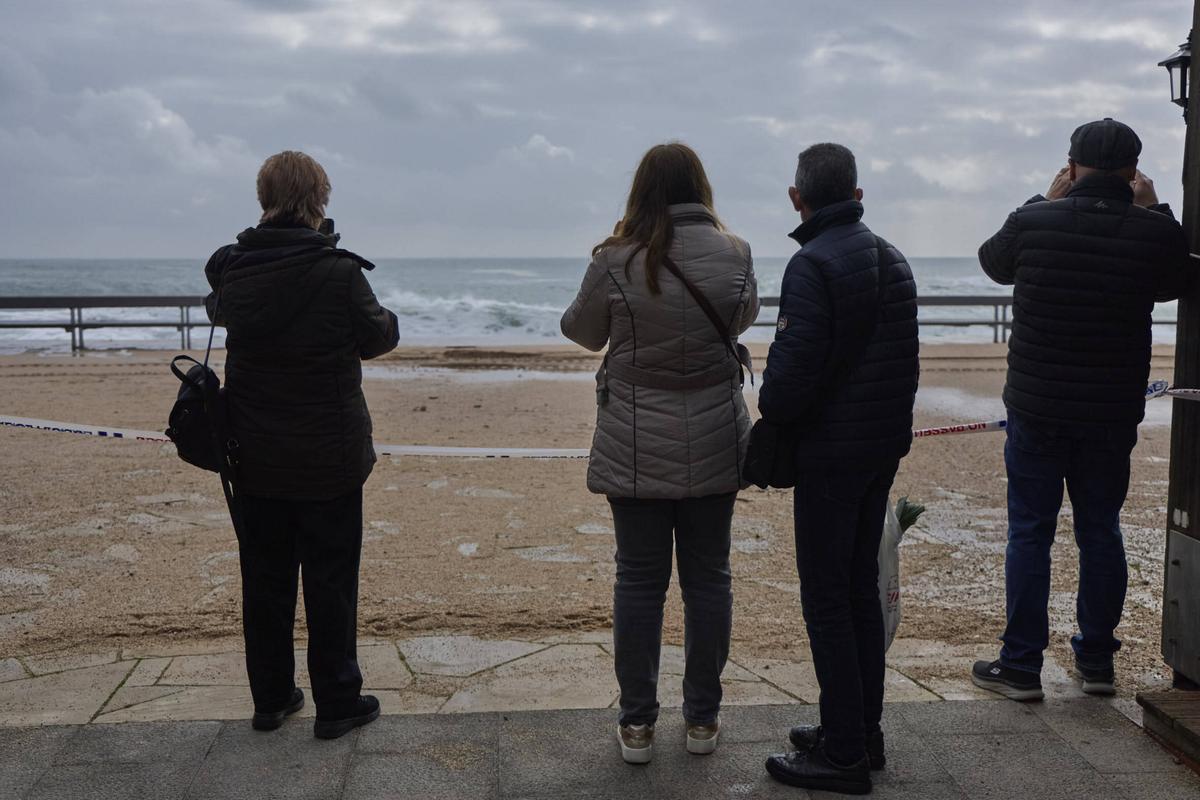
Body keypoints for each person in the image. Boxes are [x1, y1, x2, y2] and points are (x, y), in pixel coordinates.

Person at [972, 118, 1194, 701]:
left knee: (1030, 532)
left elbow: (993, 263)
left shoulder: (1035, 220)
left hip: (1037, 407)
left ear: (1071, 169)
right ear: (1131, 173)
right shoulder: (1149, 232)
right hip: (1109, 412)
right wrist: (1158, 209)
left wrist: (1041, 200)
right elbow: (1183, 276)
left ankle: (1020, 665)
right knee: (1101, 531)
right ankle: (1096, 661)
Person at [560, 142, 758, 765]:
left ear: (641, 190)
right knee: (710, 580)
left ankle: (638, 725)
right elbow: (742, 320)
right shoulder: (736, 253)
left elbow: (581, 331)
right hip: (716, 437)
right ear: (701, 187)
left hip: (635, 442)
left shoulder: (616, 258)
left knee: (639, 583)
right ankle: (702, 719)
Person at [204, 150, 399, 739]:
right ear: (320, 199)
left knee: (264, 579)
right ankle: (338, 702)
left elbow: (222, 297)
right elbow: (380, 336)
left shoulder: (233, 268)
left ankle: (271, 698)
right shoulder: (338, 271)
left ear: (263, 197)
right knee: (331, 579)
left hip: (255, 453)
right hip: (328, 455)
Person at [758, 143, 919, 795]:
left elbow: (787, 384)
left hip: (830, 455)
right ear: (857, 194)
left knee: (828, 599)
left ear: (797, 199)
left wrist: (768, 402)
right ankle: (859, 730)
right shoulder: (895, 259)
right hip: (882, 447)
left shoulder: (811, 264)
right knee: (858, 592)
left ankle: (844, 753)